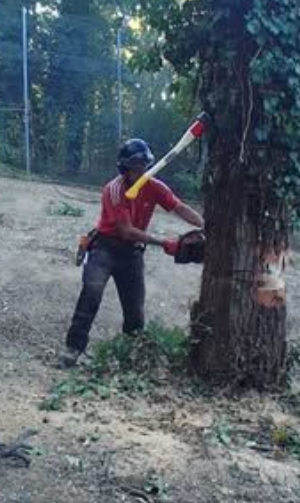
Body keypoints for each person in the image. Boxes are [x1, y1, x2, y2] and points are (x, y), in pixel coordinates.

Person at [59, 138, 204, 368]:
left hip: (132, 254)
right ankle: (73, 348)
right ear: (125, 168)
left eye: (144, 165)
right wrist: (164, 242)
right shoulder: (114, 190)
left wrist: (205, 225)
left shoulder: (155, 187)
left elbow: (180, 207)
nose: (141, 170)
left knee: (135, 308)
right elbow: (126, 231)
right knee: (92, 291)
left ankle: (131, 356)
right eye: (135, 166)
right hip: (105, 248)